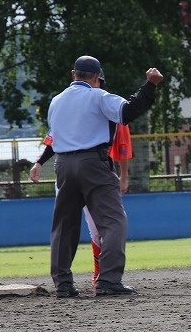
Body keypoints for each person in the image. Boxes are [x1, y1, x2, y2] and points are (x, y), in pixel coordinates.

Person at [47, 55, 162, 297]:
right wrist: (150, 86)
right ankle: (108, 280)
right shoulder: (99, 96)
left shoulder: (56, 101)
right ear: (97, 77)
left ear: (73, 74)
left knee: (64, 225)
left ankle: (63, 284)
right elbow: (128, 112)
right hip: (93, 163)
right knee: (113, 221)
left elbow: (53, 136)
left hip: (63, 164)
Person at [30, 118, 133, 289]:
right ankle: (89, 280)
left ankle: (94, 275)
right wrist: (39, 162)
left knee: (93, 229)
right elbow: (54, 138)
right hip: (83, 170)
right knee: (75, 225)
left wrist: (124, 176)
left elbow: (122, 145)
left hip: (83, 169)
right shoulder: (71, 108)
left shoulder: (108, 108)